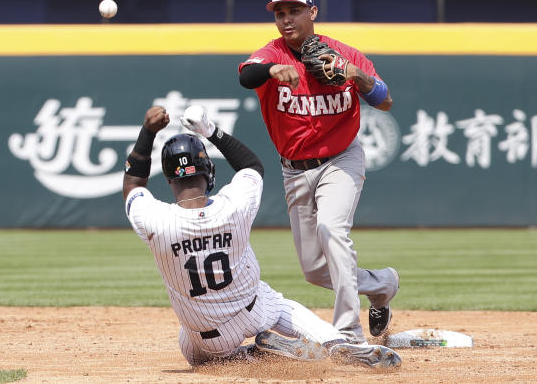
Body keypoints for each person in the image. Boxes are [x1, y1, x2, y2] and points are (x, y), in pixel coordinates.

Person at [122, 104, 401, 368]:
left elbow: (133, 183)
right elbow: (251, 166)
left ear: (169, 179)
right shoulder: (233, 204)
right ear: (208, 172)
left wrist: (148, 131)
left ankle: (252, 356)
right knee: (280, 305)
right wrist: (211, 131)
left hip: (207, 335)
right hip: (255, 310)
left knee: (194, 354)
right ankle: (337, 342)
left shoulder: (154, 219)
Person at [238, 0, 399, 344]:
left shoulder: (343, 54)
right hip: (294, 169)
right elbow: (248, 75)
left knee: (332, 230)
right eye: (279, 13)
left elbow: (385, 100)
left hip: (341, 158)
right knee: (314, 270)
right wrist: (271, 72)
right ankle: (383, 284)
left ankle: (348, 332)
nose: (286, 19)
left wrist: (355, 75)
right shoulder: (272, 54)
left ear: (313, 12)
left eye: (294, 11)